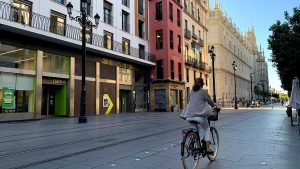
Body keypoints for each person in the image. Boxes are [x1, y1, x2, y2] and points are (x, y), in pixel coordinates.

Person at [181, 78, 217, 154]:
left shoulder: (191, 92)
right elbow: (210, 102)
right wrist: (215, 106)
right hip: (199, 116)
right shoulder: (203, 92)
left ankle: (192, 143)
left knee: (197, 129)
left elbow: (189, 101)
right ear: (202, 84)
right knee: (207, 129)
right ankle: (207, 149)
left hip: (189, 116)